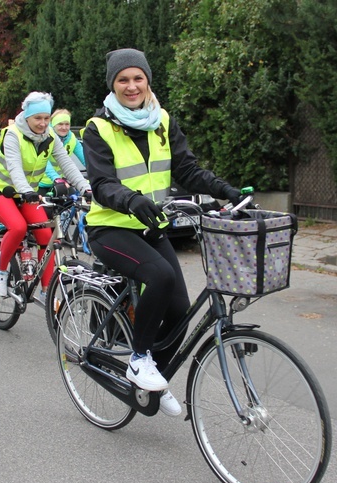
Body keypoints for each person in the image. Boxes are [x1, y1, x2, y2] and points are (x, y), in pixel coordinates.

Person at [83, 48, 248, 417]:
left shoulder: (162, 121)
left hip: (150, 227)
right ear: (113, 84)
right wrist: (131, 201)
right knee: (157, 275)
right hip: (110, 228)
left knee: (178, 313)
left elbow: (187, 171)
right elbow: (102, 184)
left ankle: (149, 376)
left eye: (137, 78)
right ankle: (138, 360)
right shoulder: (99, 128)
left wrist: (226, 190)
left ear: (148, 82)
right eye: (123, 79)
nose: (131, 86)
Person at [0, 92, 91, 298]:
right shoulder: (13, 134)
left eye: (46, 118)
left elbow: (67, 164)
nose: (43, 123)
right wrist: (25, 191)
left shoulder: (50, 137)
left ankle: (46, 291)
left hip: (28, 194)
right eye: (38, 118)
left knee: (47, 235)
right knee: (18, 227)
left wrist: (85, 187)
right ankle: (0, 270)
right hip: (1, 191)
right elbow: (15, 167)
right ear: (27, 117)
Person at [40, 108, 86, 194]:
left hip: (60, 184)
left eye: (67, 124)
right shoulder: (44, 136)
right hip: (40, 184)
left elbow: (86, 159)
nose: (64, 127)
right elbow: (43, 161)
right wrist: (56, 178)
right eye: (60, 124)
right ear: (53, 125)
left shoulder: (72, 138)